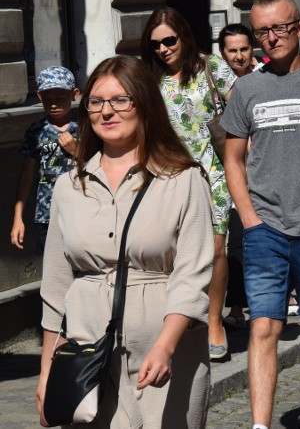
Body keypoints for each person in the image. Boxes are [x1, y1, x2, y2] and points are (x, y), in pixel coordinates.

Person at [37, 56, 214, 427]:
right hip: (88, 352)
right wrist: (46, 372)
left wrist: (165, 347)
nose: (106, 111)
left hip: (166, 349)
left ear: (144, 103)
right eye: (96, 102)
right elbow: (55, 285)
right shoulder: (68, 187)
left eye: (121, 100)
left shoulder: (183, 179)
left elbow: (193, 274)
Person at [221, 0, 300, 429]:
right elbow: (233, 160)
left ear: (299, 27)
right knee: (264, 328)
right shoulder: (247, 88)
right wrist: (250, 219)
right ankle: (260, 425)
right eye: (262, 31)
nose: (271, 37)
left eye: (279, 27)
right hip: (266, 230)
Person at [141, 7, 236, 361]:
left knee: (214, 250)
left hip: (213, 171)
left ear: (183, 35)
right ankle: (175, 325)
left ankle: (214, 322)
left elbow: (241, 112)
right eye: (156, 45)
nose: (163, 49)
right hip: (166, 176)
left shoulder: (211, 68)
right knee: (172, 254)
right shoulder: (148, 79)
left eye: (169, 40)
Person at [216, 23, 261, 329]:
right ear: (223, 53)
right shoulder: (216, 83)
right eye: (232, 50)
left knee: (261, 240)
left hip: (261, 170)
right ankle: (235, 308)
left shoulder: (264, 78)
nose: (239, 56)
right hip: (225, 171)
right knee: (235, 245)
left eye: (244, 49)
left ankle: (268, 300)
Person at [11, 67, 79, 254]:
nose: (54, 104)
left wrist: (77, 151)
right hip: (47, 215)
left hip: (81, 210)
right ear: (39, 96)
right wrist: (18, 217)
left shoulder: (86, 126)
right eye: (48, 100)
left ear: (74, 94)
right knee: (53, 272)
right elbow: (27, 174)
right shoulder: (36, 131)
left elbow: (103, 164)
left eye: (60, 98)